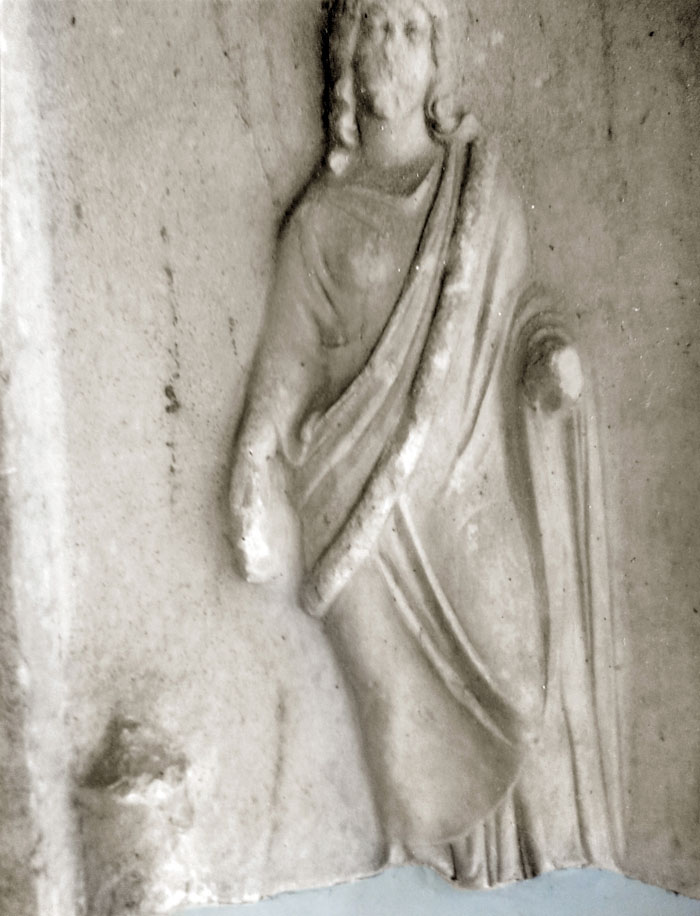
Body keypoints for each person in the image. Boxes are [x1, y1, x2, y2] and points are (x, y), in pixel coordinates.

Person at [230, 0, 622, 886]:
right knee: (405, 756)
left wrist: (549, 360)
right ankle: (419, 886)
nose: (394, 50)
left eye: (413, 30)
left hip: (468, 489)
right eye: (377, 27)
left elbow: (517, 321)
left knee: (518, 689)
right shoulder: (320, 222)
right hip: (355, 520)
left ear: (439, 57)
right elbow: (287, 364)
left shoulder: (480, 194)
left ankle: (529, 875)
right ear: (348, 51)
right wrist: (249, 468)